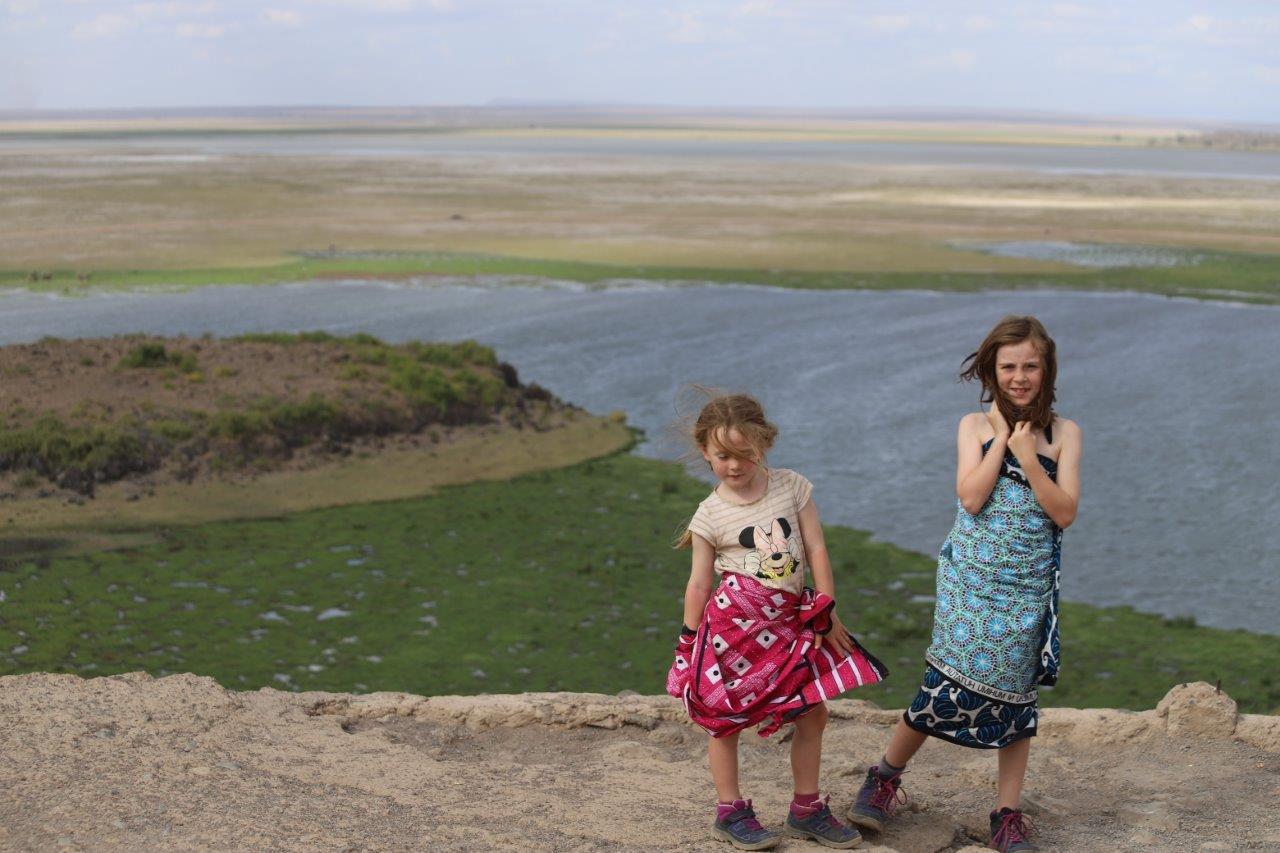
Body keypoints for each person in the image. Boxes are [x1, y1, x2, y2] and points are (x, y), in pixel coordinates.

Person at [847, 316, 1081, 852]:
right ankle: (883, 778)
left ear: (1047, 369)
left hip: (1027, 586)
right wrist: (1002, 442)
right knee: (942, 685)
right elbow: (971, 498)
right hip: (970, 580)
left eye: (1030, 366)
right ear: (992, 371)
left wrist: (1030, 458)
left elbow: (1065, 512)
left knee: (1018, 697)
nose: (1019, 377)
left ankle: (1006, 815)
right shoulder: (972, 426)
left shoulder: (1066, 434)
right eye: (1009, 367)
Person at [667, 391, 887, 850]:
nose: (734, 465)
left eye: (745, 452)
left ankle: (806, 809)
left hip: (790, 625)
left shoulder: (791, 486)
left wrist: (825, 608)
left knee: (813, 712)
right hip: (731, 634)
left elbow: (817, 548)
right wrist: (688, 643)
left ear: (764, 442)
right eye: (723, 455)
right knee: (723, 721)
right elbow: (699, 584)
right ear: (704, 451)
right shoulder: (708, 515)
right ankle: (730, 812)